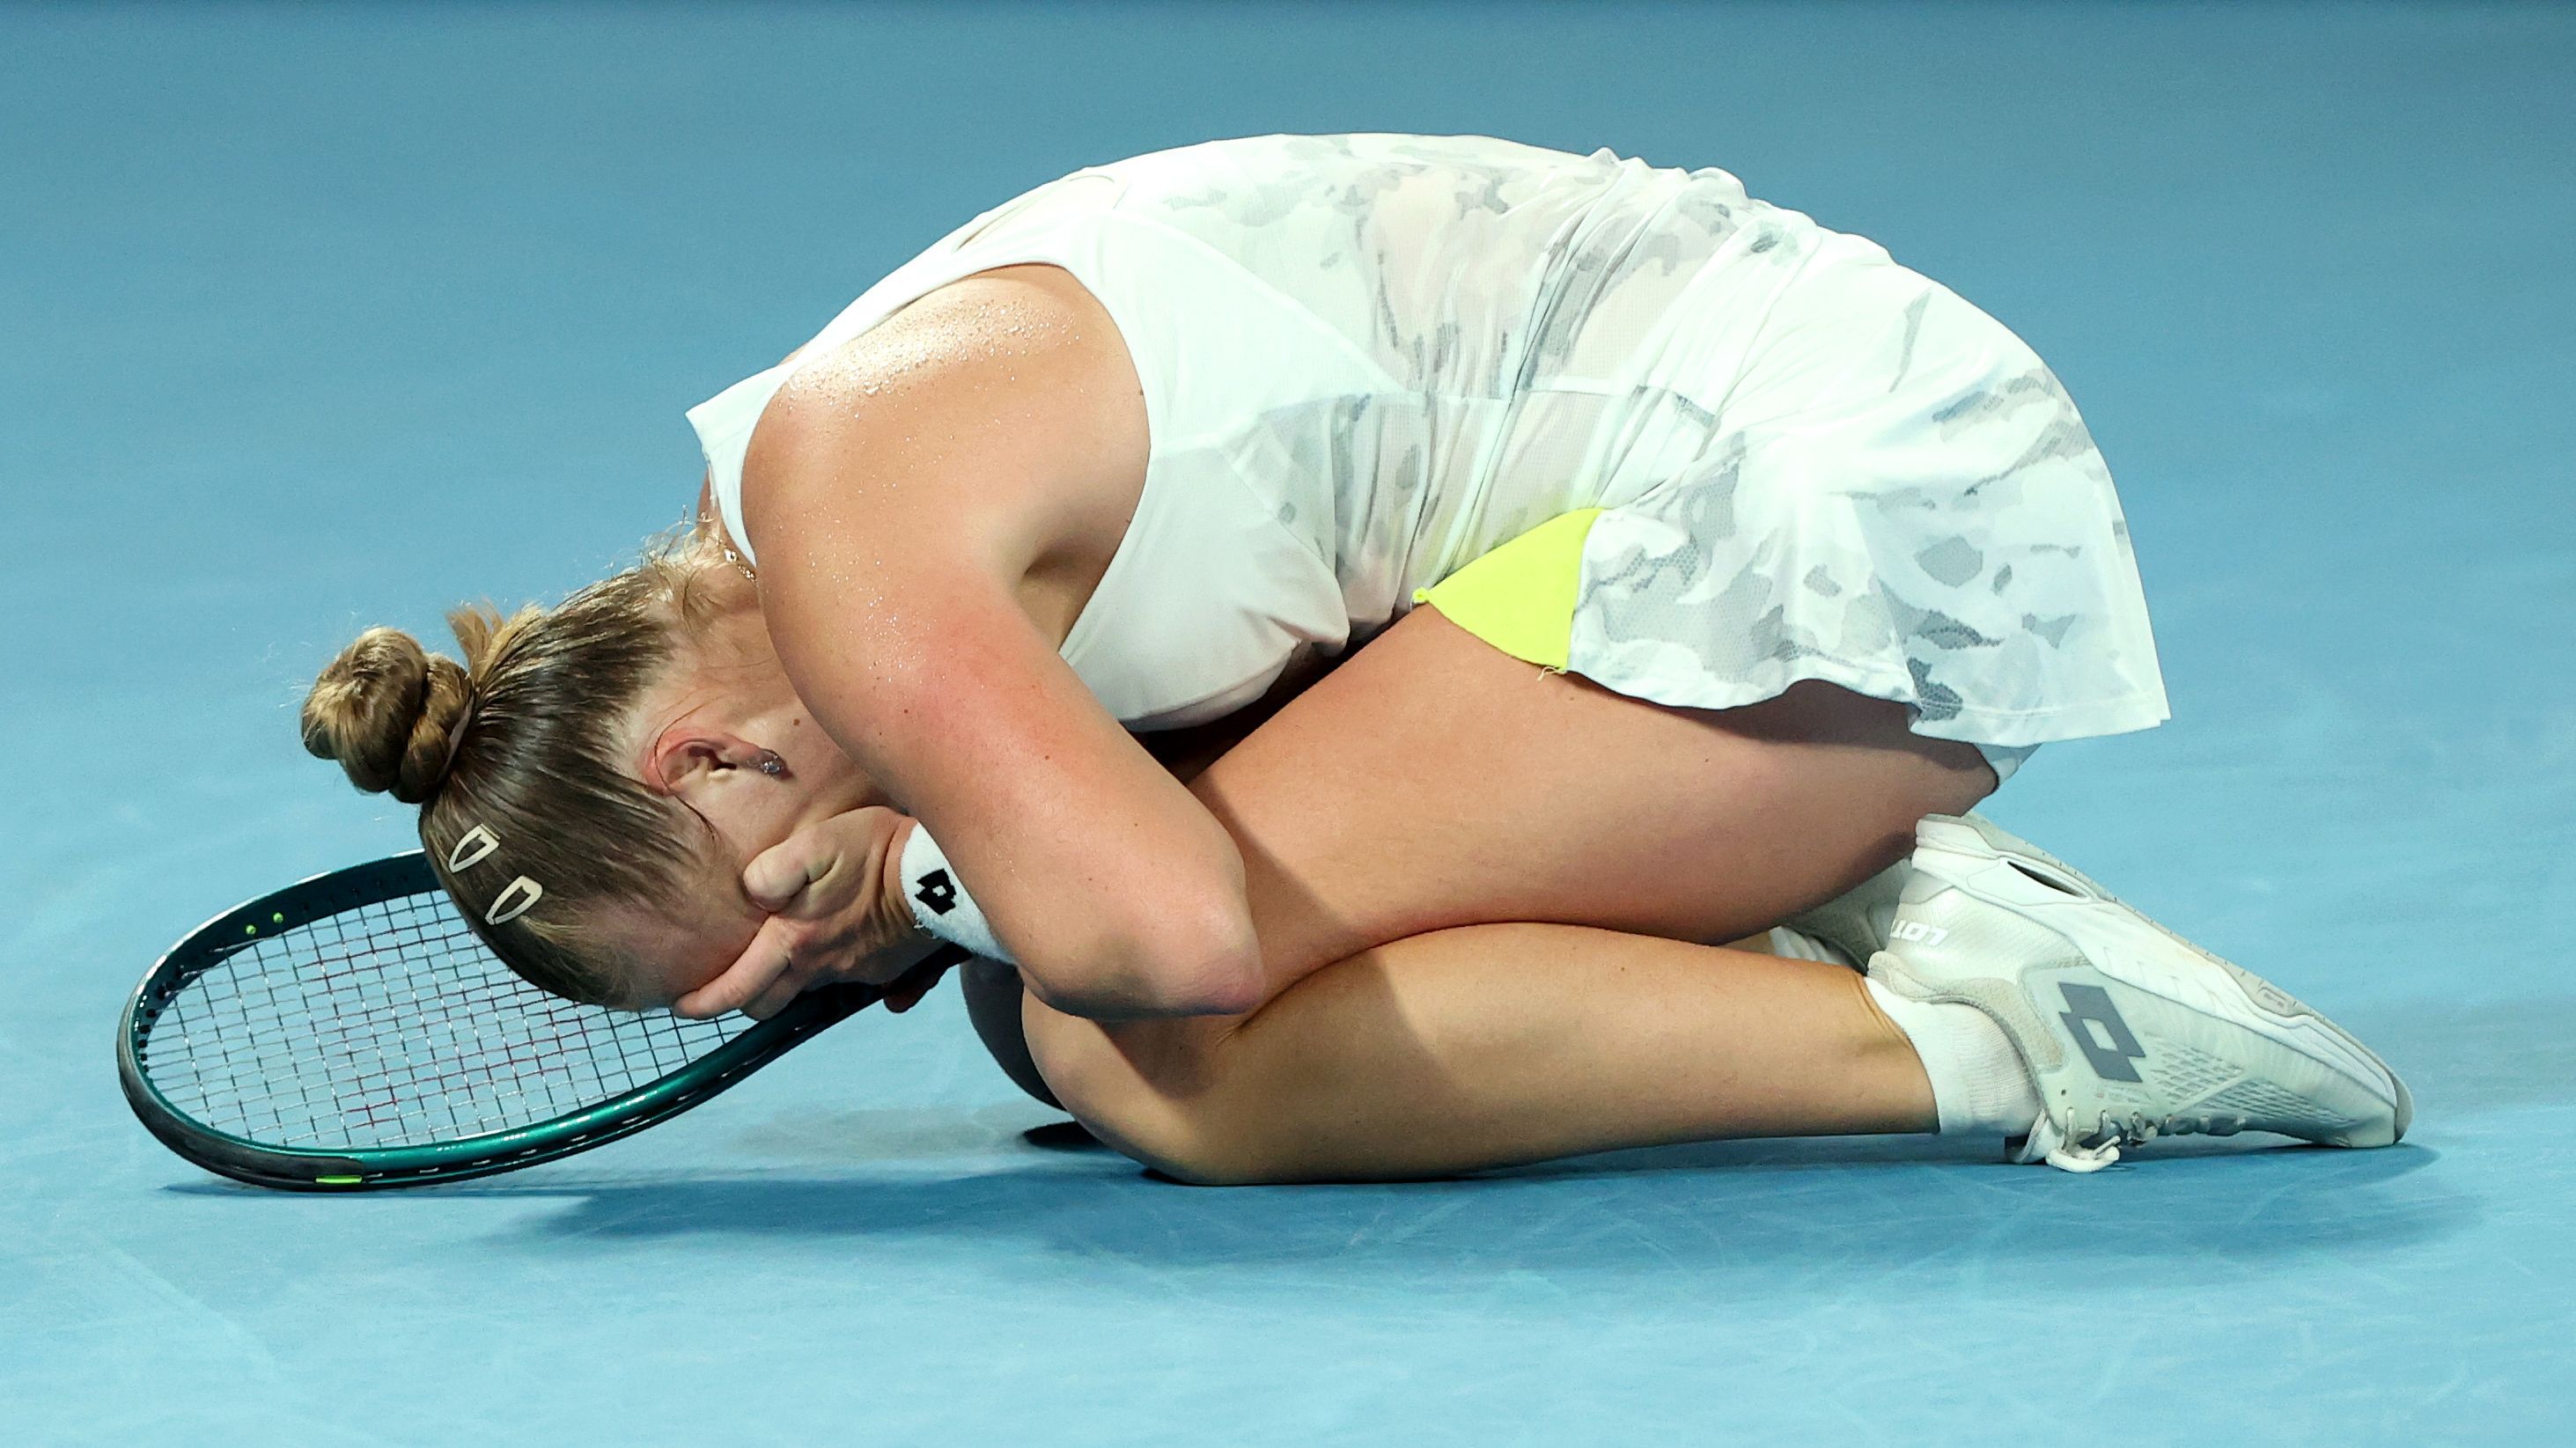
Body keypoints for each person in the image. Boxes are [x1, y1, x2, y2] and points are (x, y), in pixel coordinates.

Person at [299, 134, 2408, 1183]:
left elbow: (1179, 944)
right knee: (1063, 1022)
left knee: (1151, 1047)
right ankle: (1791, 913)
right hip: (1835, 486)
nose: (802, 974)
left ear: (697, 764)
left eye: (753, 936)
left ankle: (2028, 1043)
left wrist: (932, 879)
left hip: (1844, 512)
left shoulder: (850, 534)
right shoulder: (820, 487)